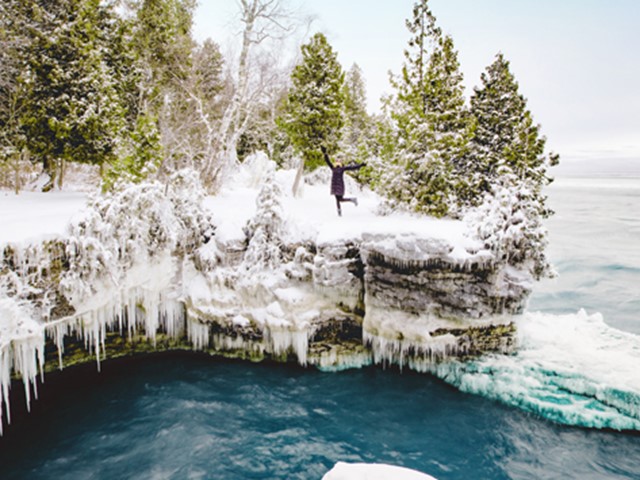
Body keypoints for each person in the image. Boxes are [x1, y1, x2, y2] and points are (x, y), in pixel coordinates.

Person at [321, 145, 365, 216]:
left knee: (339, 199)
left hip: (339, 185)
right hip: (335, 185)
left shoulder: (342, 169)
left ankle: (345, 206)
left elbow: (352, 167)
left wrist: (360, 165)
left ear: (341, 163)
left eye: (339, 161)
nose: (338, 162)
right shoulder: (333, 168)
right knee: (338, 199)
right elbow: (327, 161)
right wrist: (325, 153)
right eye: (337, 161)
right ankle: (340, 210)